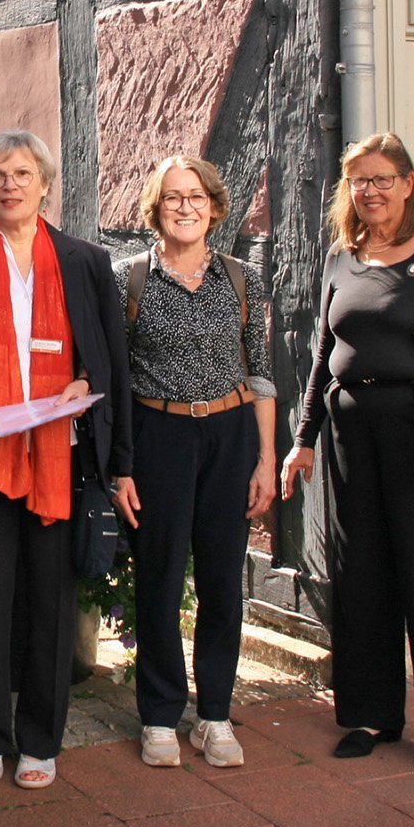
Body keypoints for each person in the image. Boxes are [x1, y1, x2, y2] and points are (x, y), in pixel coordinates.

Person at [280, 132, 414, 783]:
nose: (370, 191)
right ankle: (371, 715)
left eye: (382, 179)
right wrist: (304, 438)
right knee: (362, 575)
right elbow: (324, 356)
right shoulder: (341, 257)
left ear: (407, 183)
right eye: (359, 181)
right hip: (353, 435)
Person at [0, 130, 133, 791]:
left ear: (45, 185)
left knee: (51, 600)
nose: (10, 185)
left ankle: (40, 739)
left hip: (57, 453)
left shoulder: (83, 261)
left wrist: (84, 384)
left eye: (22, 174)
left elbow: (109, 362)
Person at [120, 155, 277, 769]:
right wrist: (121, 466)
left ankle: (214, 714)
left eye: (195, 197)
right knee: (159, 579)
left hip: (229, 436)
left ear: (213, 207)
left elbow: (260, 373)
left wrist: (265, 460)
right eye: (172, 197)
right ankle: (160, 716)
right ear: (155, 209)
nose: (184, 207)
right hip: (158, 436)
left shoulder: (241, 279)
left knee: (221, 580)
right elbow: (113, 379)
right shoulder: (129, 280)